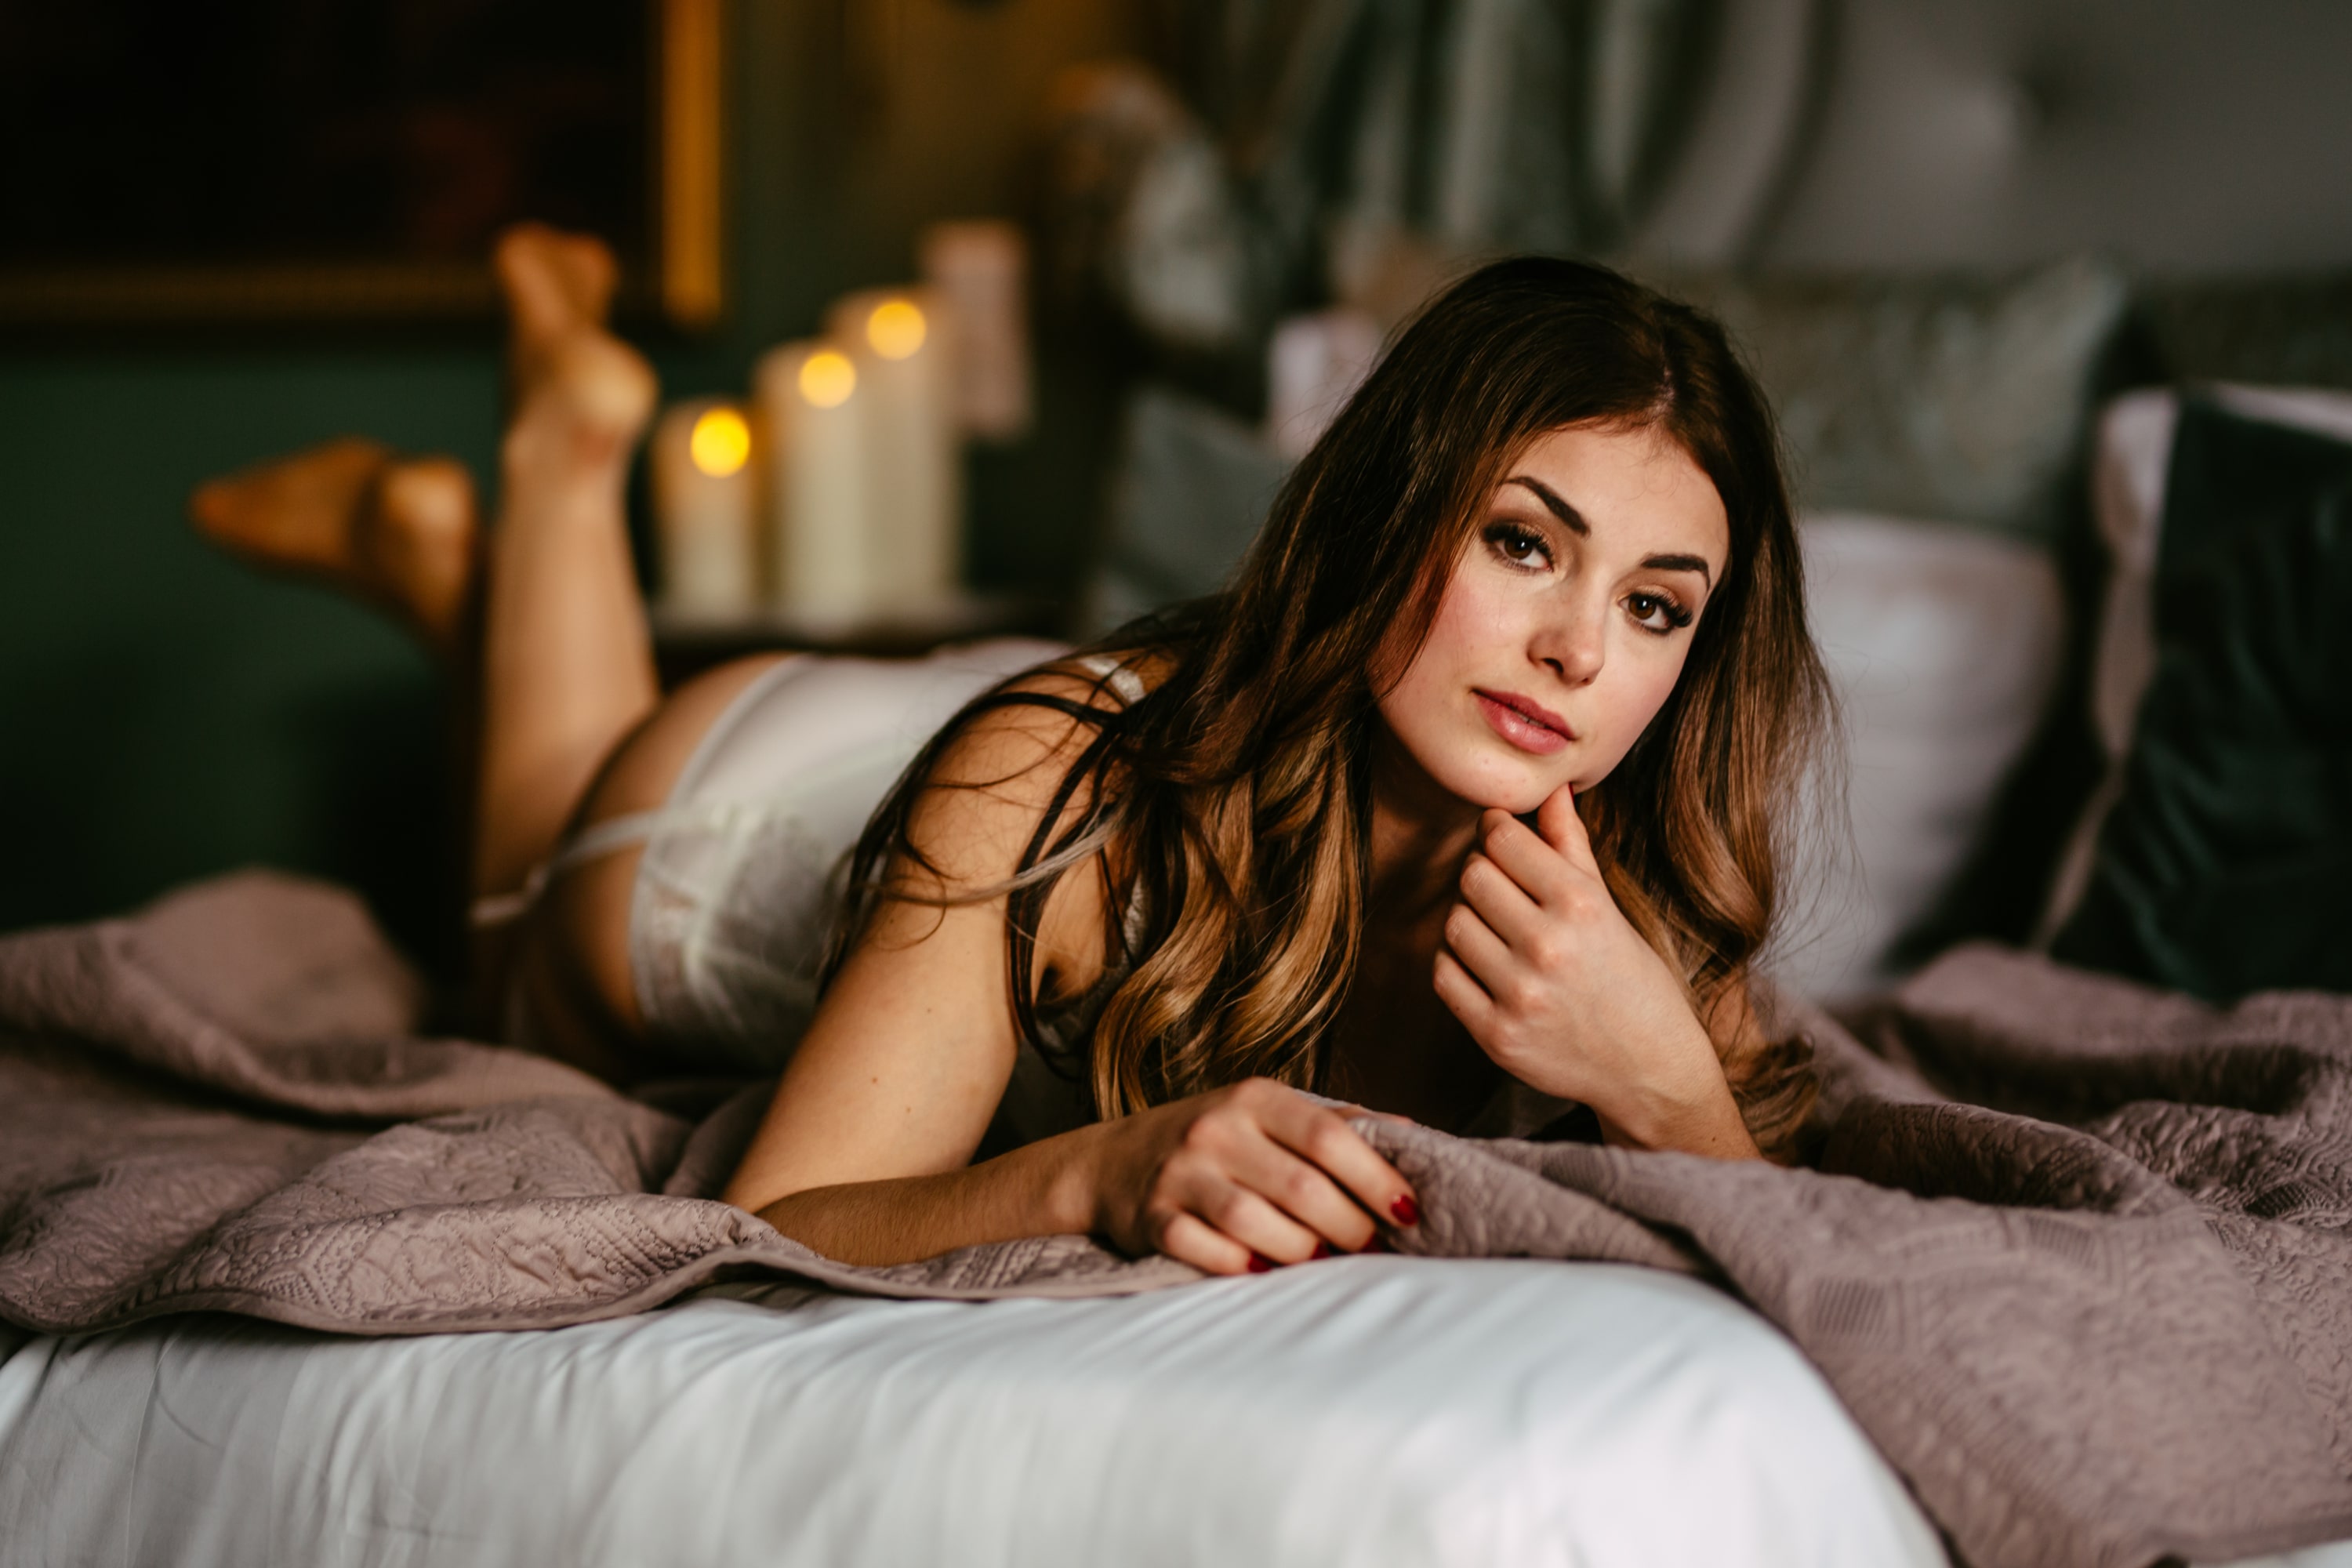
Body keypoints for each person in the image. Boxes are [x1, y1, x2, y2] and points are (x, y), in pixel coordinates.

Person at [193, 223, 1828, 1281]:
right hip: (737, 813)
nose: (1582, 653)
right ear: (1393, 515)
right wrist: (1091, 1172)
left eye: (1660, 607)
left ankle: (442, 565)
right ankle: (560, 458)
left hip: (1088, 720)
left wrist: (1663, 1079)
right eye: (1527, 546)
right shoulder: (1060, 792)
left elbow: (1804, 1244)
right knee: (517, 949)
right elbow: (774, 1223)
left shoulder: (1651, 906)